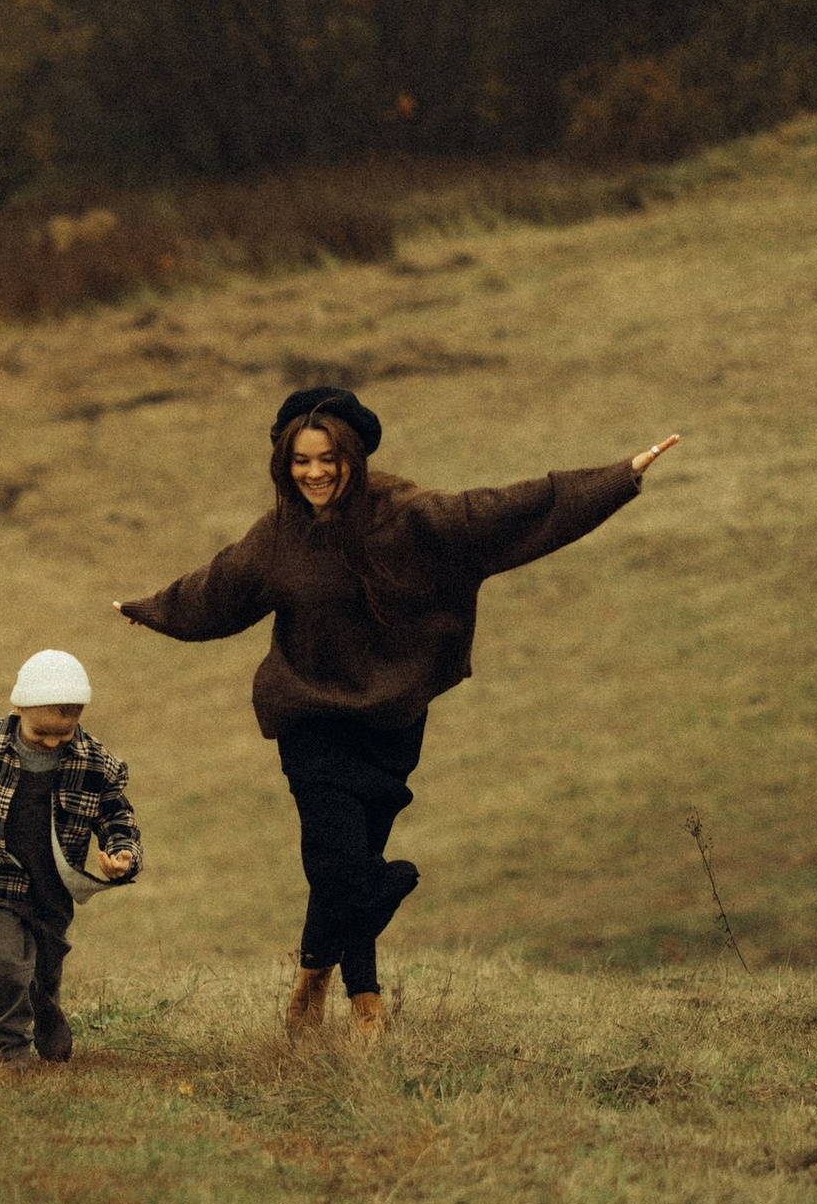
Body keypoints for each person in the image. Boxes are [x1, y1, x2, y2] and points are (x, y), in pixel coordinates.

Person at [115, 387, 678, 1044]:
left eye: (327, 459)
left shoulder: (410, 518)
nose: (315, 473)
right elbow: (217, 589)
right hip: (309, 714)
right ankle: (367, 1004)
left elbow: (508, 512)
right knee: (341, 859)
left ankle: (313, 977)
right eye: (300, 462)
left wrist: (617, 477)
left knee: (351, 861)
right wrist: (150, 608)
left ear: (352, 456)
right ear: (284, 465)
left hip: (390, 718)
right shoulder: (279, 537)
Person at [0, 647, 142, 1066]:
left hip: (53, 883)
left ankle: (45, 1010)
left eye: (64, 735)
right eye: (41, 734)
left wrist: (121, 854)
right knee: (5, 962)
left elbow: (117, 816)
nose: (52, 743)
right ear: (17, 707)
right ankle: (11, 1047)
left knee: (44, 963)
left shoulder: (97, 764)